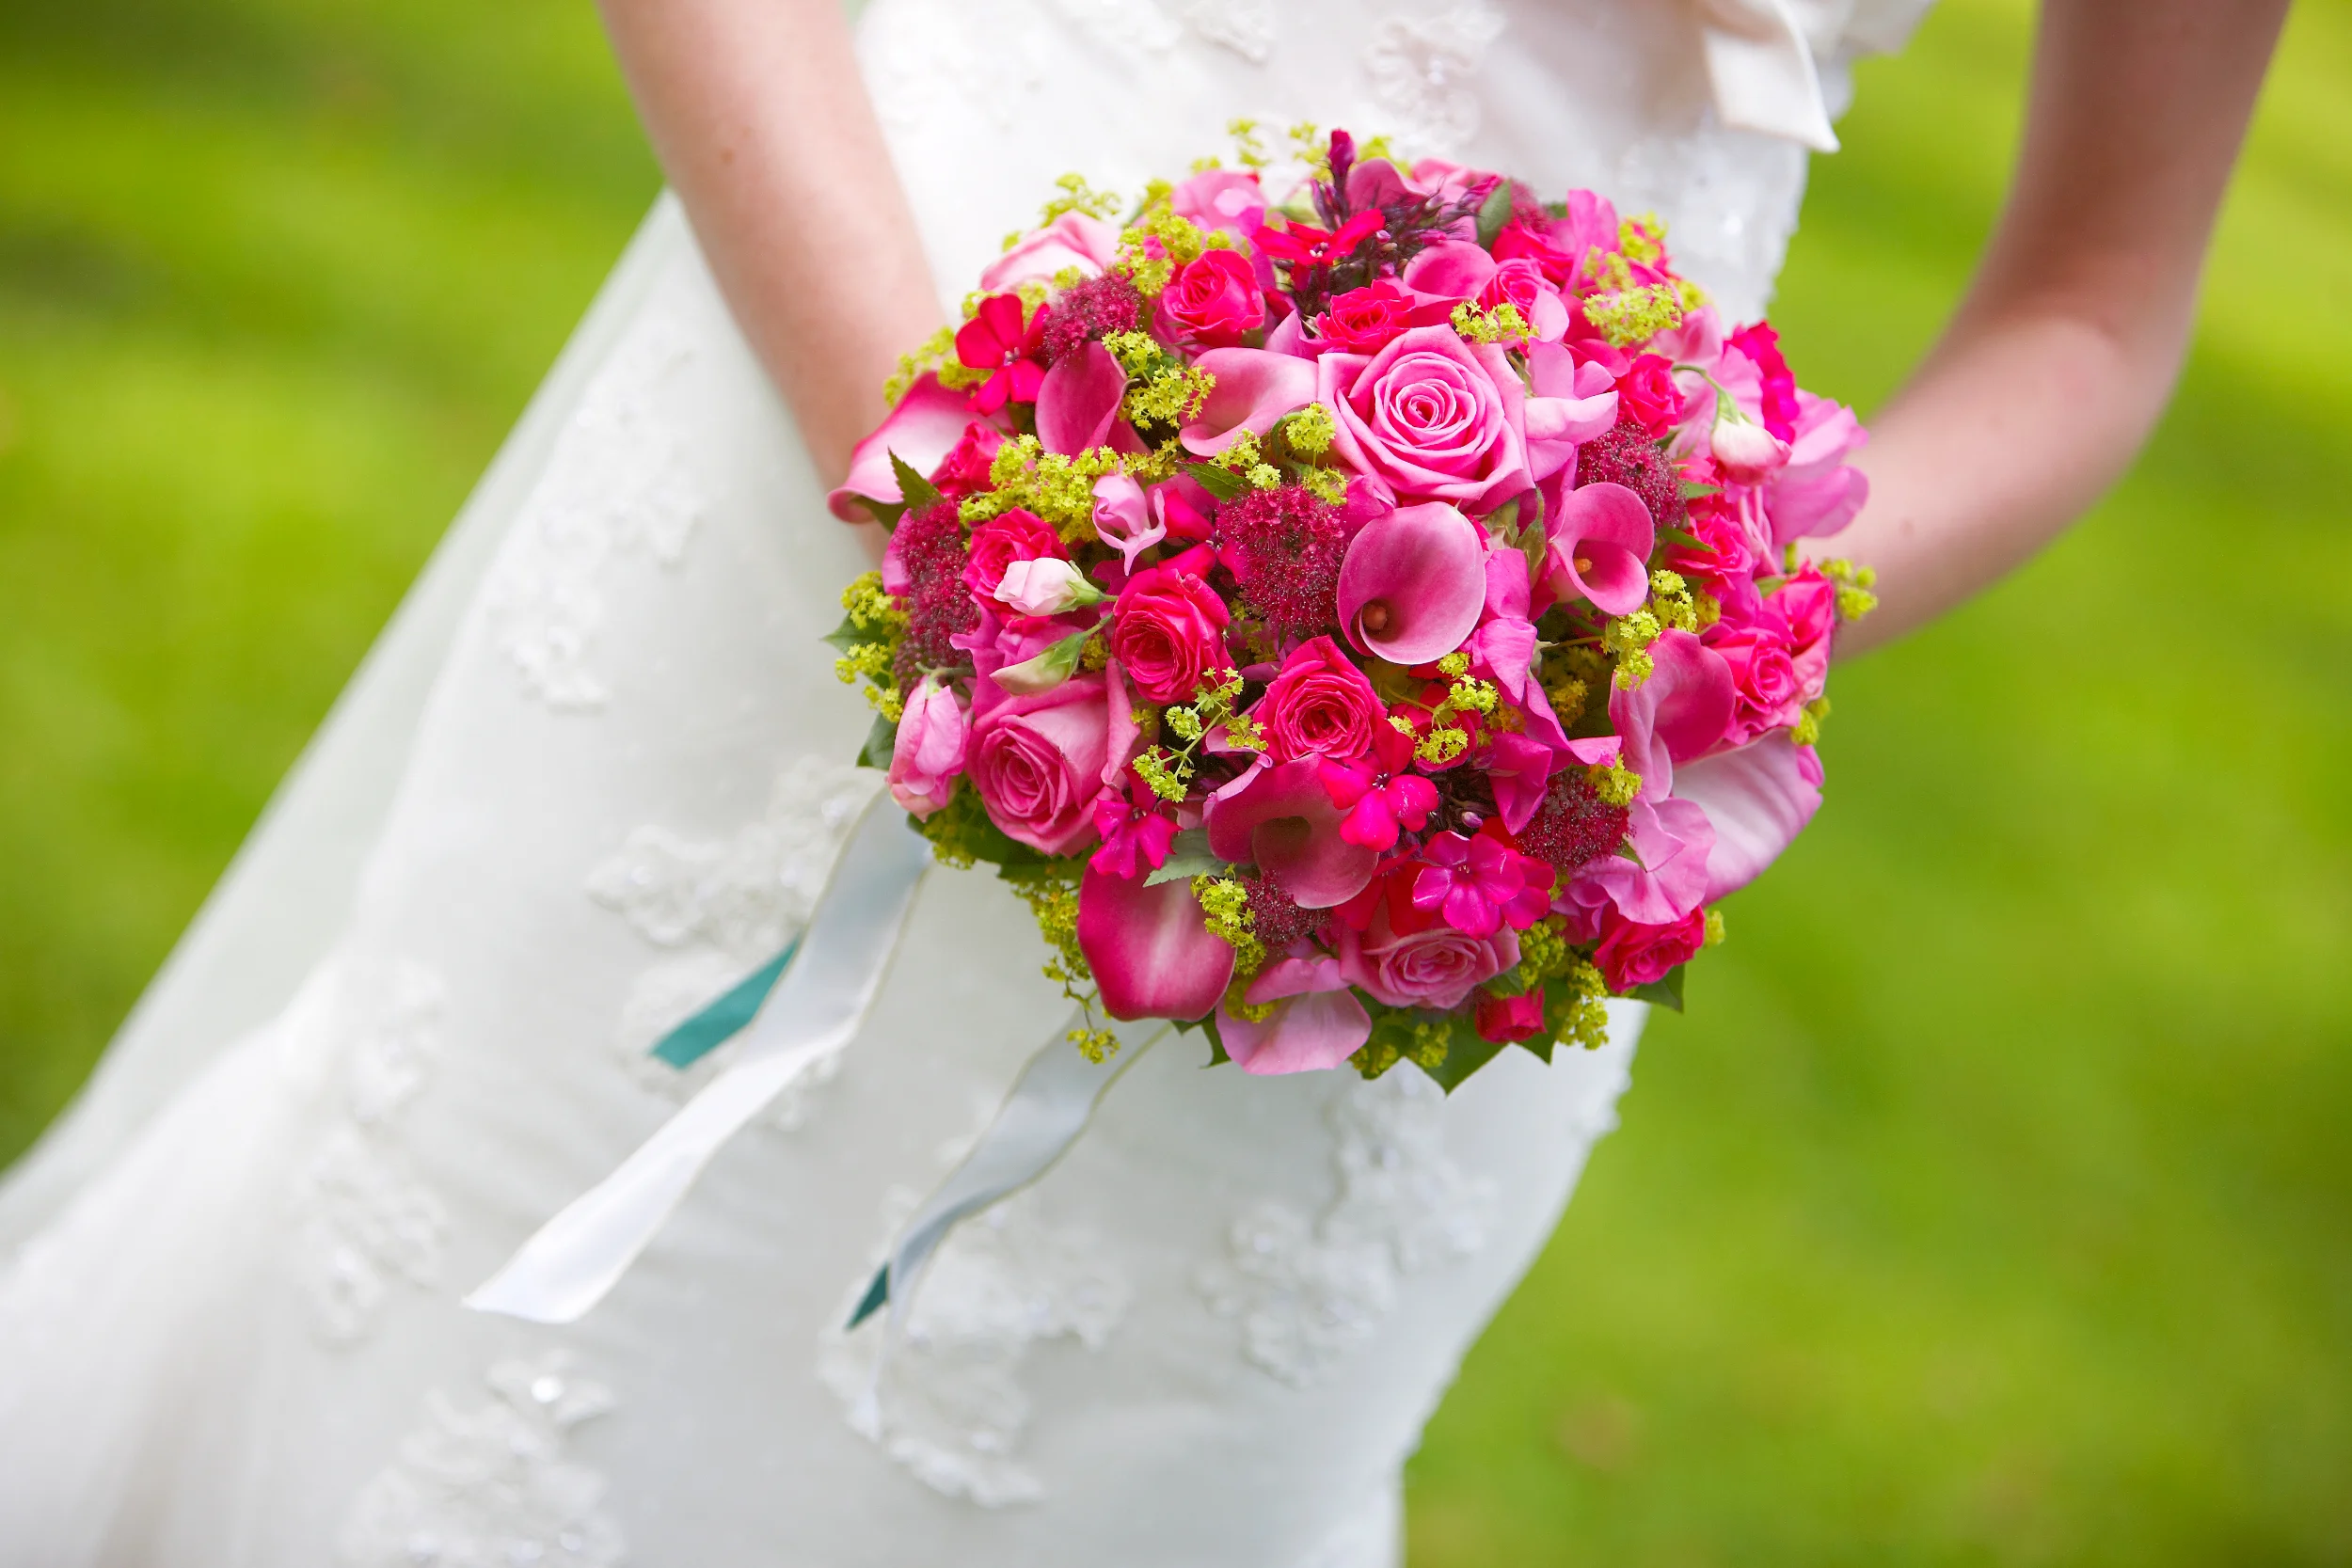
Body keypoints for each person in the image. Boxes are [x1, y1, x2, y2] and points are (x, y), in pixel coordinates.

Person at [0, 1, 2286, 1562]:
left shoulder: (1572, 680)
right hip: (827, 390)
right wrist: (950, 495)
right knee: (469, 1337)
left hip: (1492, 777)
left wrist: (1644, 641)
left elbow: (2092, 302)